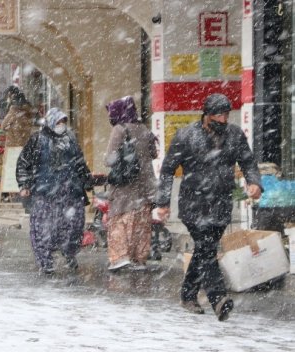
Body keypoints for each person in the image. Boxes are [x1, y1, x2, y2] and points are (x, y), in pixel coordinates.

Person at [156, 93, 262, 321]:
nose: (223, 120)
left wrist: (254, 182)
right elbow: (167, 170)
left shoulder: (234, 135)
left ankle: (188, 295)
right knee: (206, 247)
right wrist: (163, 202)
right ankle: (218, 298)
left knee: (205, 250)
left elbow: (248, 161)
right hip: (194, 204)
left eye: (226, 115)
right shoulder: (186, 136)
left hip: (221, 204)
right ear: (206, 115)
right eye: (218, 116)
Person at [16, 108, 92, 275]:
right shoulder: (37, 140)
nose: (61, 125)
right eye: (58, 122)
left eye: (63, 122)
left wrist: (86, 180)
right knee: (44, 229)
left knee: (73, 227)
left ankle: (69, 253)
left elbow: (79, 162)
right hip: (45, 192)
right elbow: (23, 163)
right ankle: (45, 261)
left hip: (70, 191)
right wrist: (24, 185)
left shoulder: (70, 139)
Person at [103, 96, 158, 271]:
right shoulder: (144, 129)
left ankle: (120, 257)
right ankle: (139, 258)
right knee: (141, 222)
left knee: (119, 220)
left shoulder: (120, 129)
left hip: (125, 185)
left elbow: (109, 159)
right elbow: (154, 154)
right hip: (145, 185)